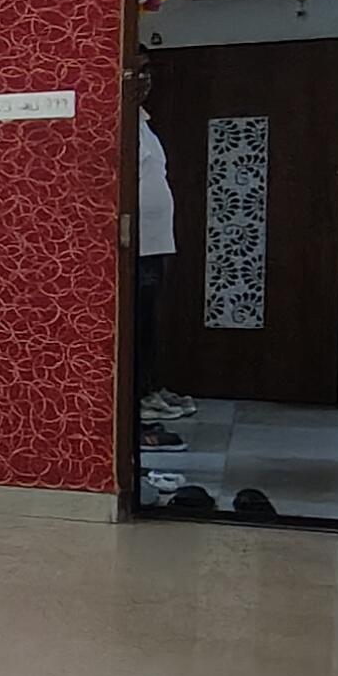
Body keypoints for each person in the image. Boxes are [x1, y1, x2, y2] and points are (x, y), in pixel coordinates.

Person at [137, 109, 194, 445]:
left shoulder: (143, 125)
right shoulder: (120, 119)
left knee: (149, 319)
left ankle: (151, 388)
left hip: (153, 242)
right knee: (139, 322)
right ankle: (142, 395)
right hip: (138, 243)